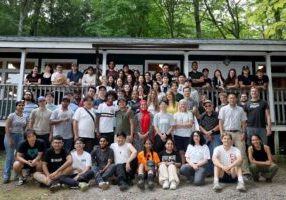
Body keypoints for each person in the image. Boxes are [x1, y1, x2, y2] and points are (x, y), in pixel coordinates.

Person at [218, 93, 251, 177]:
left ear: (236, 99)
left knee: (241, 152)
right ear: (228, 99)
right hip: (226, 133)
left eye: (233, 98)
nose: (232, 99)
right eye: (230, 98)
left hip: (238, 133)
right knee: (226, 152)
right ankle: (226, 171)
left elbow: (244, 122)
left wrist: (243, 133)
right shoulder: (223, 109)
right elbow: (220, 122)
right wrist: (222, 133)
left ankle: (245, 172)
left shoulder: (240, 109)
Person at [3, 100, 28, 184]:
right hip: (11, 135)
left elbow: (24, 127)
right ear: (16, 106)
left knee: (18, 157)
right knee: (10, 156)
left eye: (22, 105)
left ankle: (17, 175)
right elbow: (7, 127)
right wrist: (10, 139)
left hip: (20, 136)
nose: (21, 107)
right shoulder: (12, 115)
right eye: (19, 105)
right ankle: (6, 176)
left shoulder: (25, 116)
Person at [199, 100, 220, 176]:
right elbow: (200, 126)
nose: (208, 107)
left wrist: (211, 132)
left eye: (209, 105)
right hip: (205, 136)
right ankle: (209, 172)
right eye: (206, 106)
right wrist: (206, 133)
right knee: (206, 154)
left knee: (215, 154)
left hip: (216, 136)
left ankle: (217, 171)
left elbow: (220, 125)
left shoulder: (218, 114)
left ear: (212, 106)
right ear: (204, 107)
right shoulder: (202, 115)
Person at [173, 99, 194, 164]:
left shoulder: (189, 113)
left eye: (184, 104)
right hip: (178, 135)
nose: (183, 105)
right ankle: (183, 165)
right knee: (181, 151)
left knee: (188, 151)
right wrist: (185, 124)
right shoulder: (175, 114)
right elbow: (174, 125)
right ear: (179, 105)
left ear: (186, 105)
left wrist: (179, 124)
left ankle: (189, 165)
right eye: (181, 104)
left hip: (187, 135)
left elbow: (190, 125)